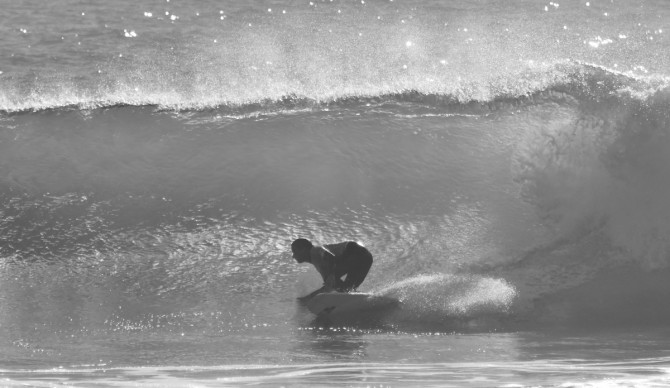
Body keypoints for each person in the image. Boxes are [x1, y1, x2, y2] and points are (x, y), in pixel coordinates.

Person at [291, 238, 373, 300]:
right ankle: (369, 299)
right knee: (346, 289)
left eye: (294, 251)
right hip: (366, 258)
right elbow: (330, 286)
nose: (293, 255)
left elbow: (328, 256)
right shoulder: (318, 261)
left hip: (355, 252)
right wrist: (309, 297)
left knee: (336, 284)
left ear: (304, 249)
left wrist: (332, 275)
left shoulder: (314, 251)